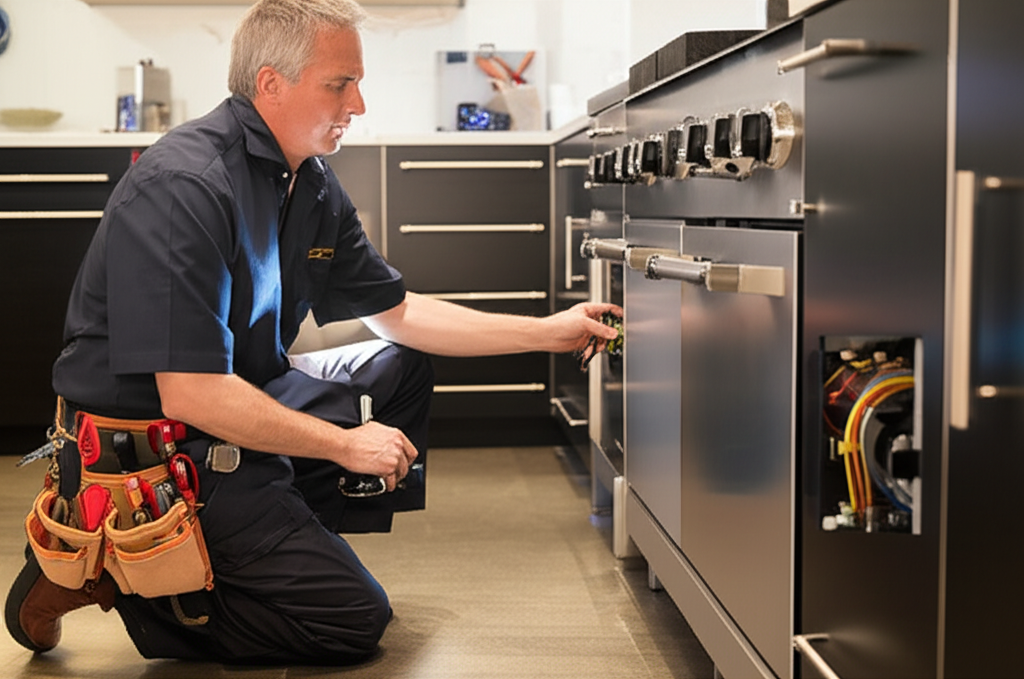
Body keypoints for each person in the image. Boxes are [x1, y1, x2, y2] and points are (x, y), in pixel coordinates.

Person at [4, 0, 620, 665]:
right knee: (352, 620)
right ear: (271, 84)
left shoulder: (308, 182)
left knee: (401, 364)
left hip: (241, 399)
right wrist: (346, 444)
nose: (358, 104)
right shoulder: (185, 186)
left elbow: (399, 313)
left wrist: (547, 331)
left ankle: (268, 539)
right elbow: (192, 393)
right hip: (161, 446)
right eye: (339, 84)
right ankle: (129, 576)